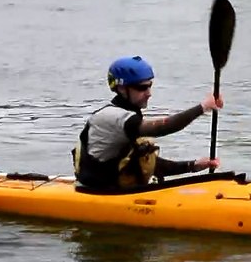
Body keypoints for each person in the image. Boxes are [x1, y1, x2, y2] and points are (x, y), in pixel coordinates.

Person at [73, 55, 223, 190]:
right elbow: (163, 127)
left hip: (119, 190)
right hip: (100, 192)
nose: (149, 93)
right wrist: (203, 107)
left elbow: (147, 164)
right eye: (142, 87)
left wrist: (193, 165)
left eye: (150, 86)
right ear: (121, 88)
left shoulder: (127, 116)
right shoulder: (113, 117)